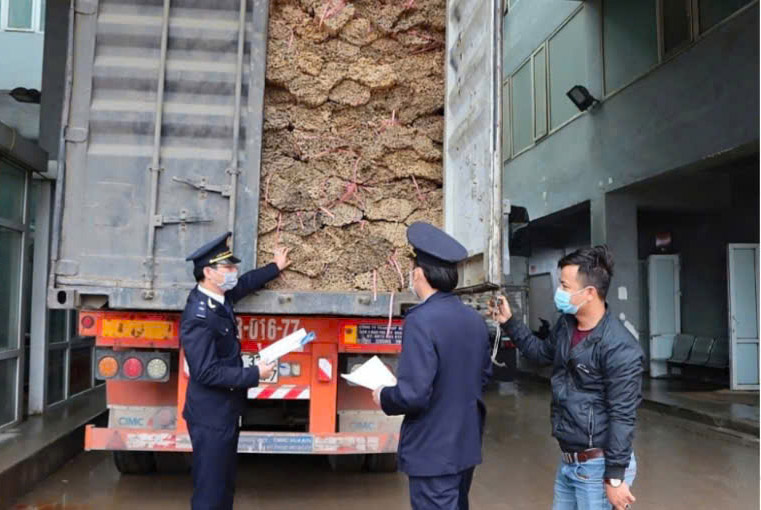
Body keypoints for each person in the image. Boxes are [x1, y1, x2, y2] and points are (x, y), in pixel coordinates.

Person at [490, 246, 644, 510]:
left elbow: (622, 415)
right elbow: (540, 352)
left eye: (564, 285)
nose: (558, 292)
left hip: (598, 466)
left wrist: (615, 478)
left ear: (589, 293)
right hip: (571, 462)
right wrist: (510, 322)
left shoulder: (620, 347)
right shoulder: (566, 325)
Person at [372, 222, 492, 510]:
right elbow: (484, 376)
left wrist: (383, 395)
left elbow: (414, 394)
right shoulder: (474, 320)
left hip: (432, 452)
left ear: (419, 274)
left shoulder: (420, 320)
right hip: (464, 447)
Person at [181, 232, 290, 510]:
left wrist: (274, 267)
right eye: (227, 268)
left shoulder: (218, 297)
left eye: (233, 267)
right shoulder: (199, 317)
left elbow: (243, 284)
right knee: (211, 489)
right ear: (208, 272)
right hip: (210, 415)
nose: (233, 272)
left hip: (225, 411)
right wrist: (254, 374)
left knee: (225, 484)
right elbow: (205, 372)